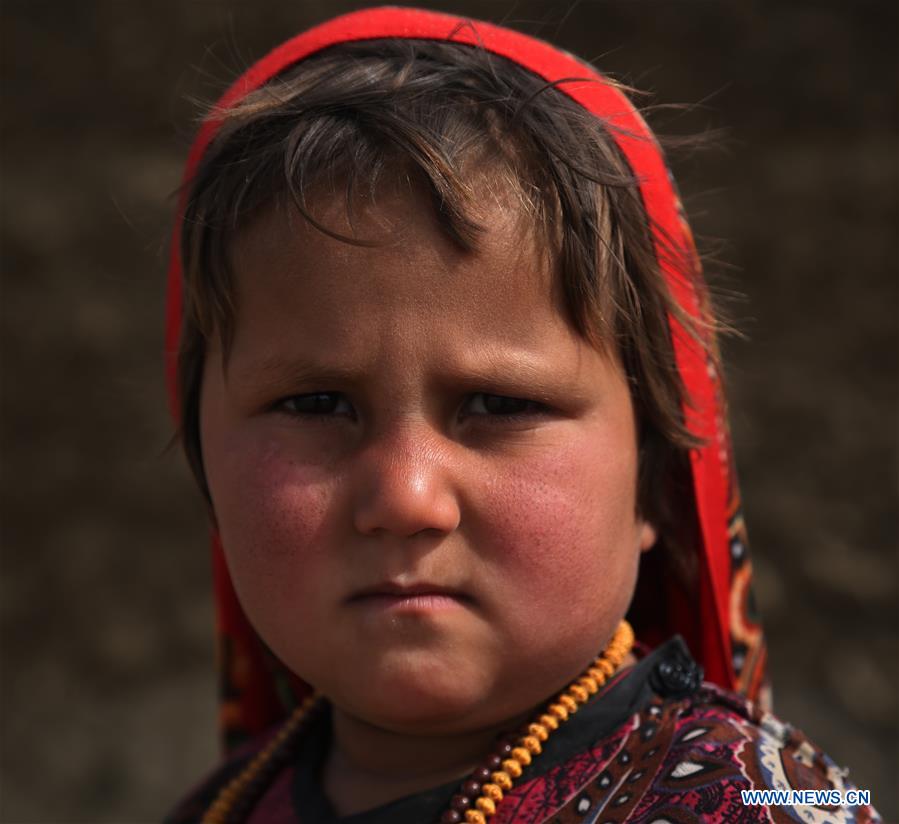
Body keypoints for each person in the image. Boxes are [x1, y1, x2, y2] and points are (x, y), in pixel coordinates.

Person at [163, 7, 879, 823]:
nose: (406, 497)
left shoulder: (759, 799)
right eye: (316, 405)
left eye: (498, 405)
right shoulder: (222, 806)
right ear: (206, 465)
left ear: (652, 480)